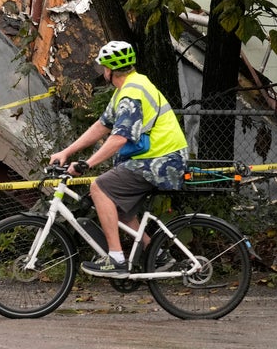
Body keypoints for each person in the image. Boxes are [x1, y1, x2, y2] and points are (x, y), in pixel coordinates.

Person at [49, 40, 188, 277]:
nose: (102, 71)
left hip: (162, 161)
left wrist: (87, 164)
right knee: (118, 207)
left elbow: (119, 138)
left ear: (110, 69)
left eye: (103, 67)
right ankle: (156, 253)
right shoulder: (128, 88)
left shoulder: (131, 94)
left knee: (99, 187)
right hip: (156, 158)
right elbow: (102, 126)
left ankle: (115, 259)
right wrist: (66, 152)